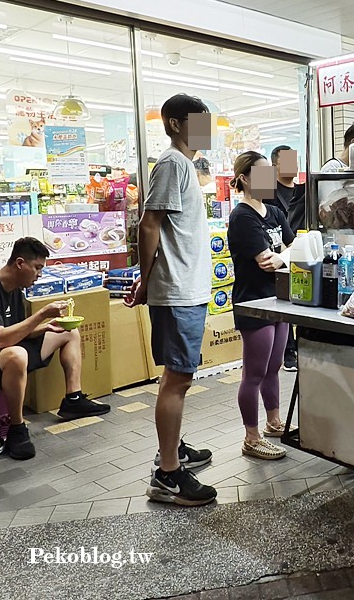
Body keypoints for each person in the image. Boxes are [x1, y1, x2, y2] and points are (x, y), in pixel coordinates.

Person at [127, 93, 217, 507]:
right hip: (176, 289)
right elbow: (149, 225)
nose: (207, 130)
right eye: (200, 121)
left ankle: (173, 450)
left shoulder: (186, 166)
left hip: (186, 287)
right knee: (177, 379)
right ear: (176, 124)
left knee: (178, 377)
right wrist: (145, 279)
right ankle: (168, 475)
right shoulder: (171, 163)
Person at [0, 238, 110, 460]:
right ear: (20, 263)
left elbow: (17, 332)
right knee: (17, 354)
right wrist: (42, 314)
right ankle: (17, 428)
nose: (39, 275)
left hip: (5, 354)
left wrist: (46, 327)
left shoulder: (15, 290)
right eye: (37, 268)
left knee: (67, 332)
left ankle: (73, 399)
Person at [228, 151, 296, 460]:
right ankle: (251, 437)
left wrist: (284, 255)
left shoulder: (274, 212)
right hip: (253, 302)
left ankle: (273, 422)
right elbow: (265, 261)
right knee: (253, 373)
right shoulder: (242, 216)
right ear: (245, 178)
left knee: (274, 367)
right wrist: (285, 255)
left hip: (279, 300)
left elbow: (295, 246)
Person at [264, 145, 301, 372]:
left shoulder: (302, 190)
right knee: (282, 302)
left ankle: (297, 347)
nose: (293, 165)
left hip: (300, 250)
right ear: (275, 166)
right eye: (287, 160)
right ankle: (288, 352)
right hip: (276, 254)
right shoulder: (268, 190)